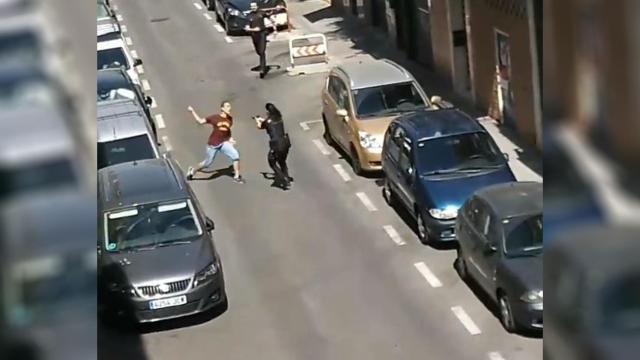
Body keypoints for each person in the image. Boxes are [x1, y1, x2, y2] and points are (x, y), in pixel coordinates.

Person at [186, 101, 245, 184]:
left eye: (230, 106)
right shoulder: (215, 118)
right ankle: (192, 170)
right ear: (222, 108)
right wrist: (192, 111)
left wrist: (230, 138)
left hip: (223, 143)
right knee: (207, 164)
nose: (229, 108)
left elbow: (227, 131)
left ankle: (236, 176)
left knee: (235, 155)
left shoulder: (230, 119)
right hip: (212, 145)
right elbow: (200, 121)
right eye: (227, 106)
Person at [255, 103, 292, 189]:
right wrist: (262, 119)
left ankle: (284, 179)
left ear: (268, 112)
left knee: (271, 161)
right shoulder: (279, 117)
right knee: (282, 161)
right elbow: (269, 122)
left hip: (276, 144)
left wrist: (257, 120)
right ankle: (287, 175)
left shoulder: (268, 121)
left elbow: (260, 126)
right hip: (285, 142)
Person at [245, 2, 277, 79]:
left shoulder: (261, 13)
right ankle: (263, 65)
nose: (253, 7)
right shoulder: (249, 16)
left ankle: (262, 69)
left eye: (254, 6)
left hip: (262, 34)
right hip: (254, 36)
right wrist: (252, 29)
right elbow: (246, 27)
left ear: (257, 6)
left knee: (262, 52)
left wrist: (274, 27)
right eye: (252, 6)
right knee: (258, 51)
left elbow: (270, 18)